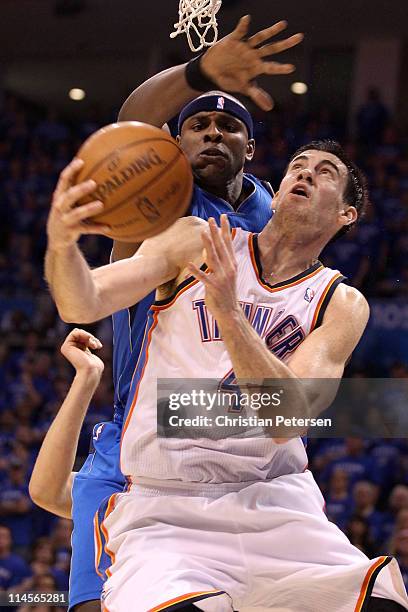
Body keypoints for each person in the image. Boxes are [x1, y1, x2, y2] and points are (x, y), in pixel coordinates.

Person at [45, 139, 408, 611]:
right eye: (297, 167)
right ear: (274, 195)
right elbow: (83, 301)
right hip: (166, 507)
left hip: (275, 506)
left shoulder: (340, 302)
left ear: (346, 215)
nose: (305, 174)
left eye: (324, 173)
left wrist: (229, 313)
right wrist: (61, 244)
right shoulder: (195, 239)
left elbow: (288, 417)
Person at [43, 15, 304, 611]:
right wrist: (201, 72)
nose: (213, 133)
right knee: (95, 603)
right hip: (142, 439)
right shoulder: (160, 205)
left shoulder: (275, 215)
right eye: (199, 125)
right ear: (174, 144)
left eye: (228, 124)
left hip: (237, 447)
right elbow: (130, 120)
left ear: (251, 146)